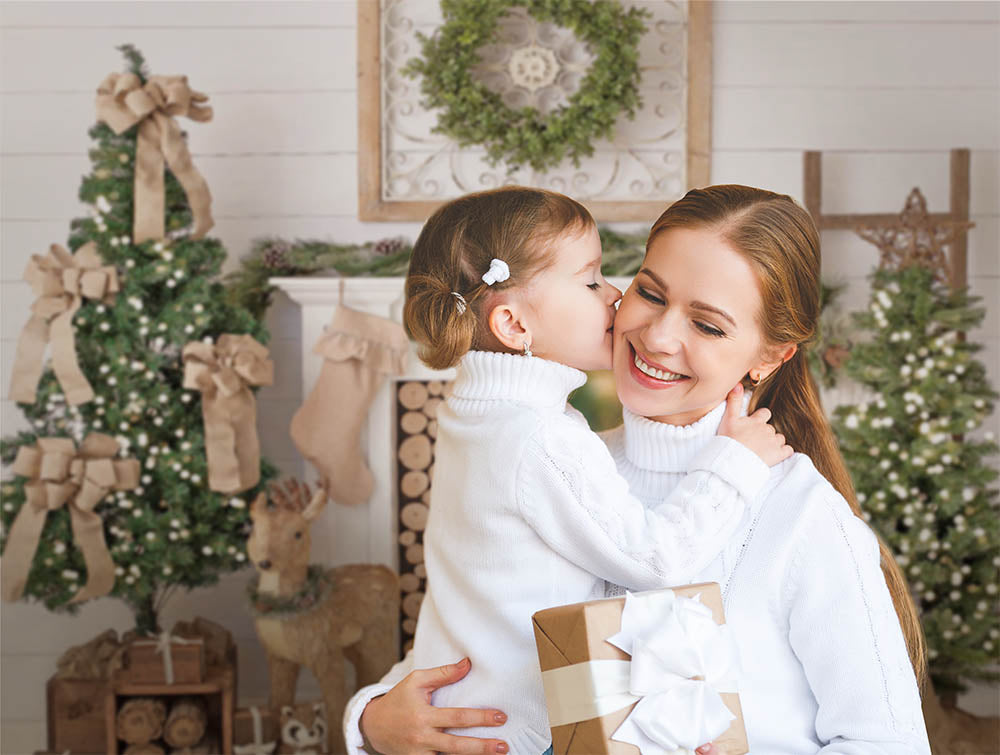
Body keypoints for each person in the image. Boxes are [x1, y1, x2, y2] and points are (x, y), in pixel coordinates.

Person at [348, 186, 931, 754]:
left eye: (707, 325)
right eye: (650, 293)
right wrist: (373, 722)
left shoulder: (802, 515)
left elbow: (889, 744)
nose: (657, 336)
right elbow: (470, 637)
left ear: (768, 357)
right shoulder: (557, 463)